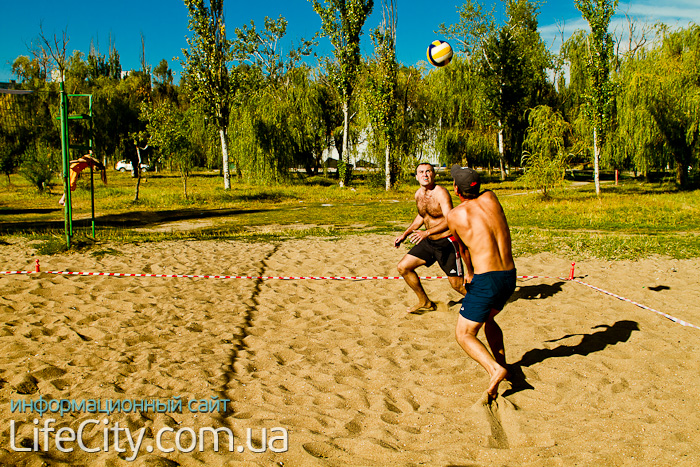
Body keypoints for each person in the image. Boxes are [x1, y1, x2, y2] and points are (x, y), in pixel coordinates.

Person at [446, 164, 516, 399]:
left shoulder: (455, 215)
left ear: (456, 189)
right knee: (489, 318)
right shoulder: (492, 198)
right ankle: (503, 362)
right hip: (509, 275)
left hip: (486, 277)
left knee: (464, 334)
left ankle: (496, 369)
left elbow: (463, 248)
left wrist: (469, 272)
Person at [395, 162, 467, 313]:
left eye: (428, 171)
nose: (425, 175)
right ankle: (425, 302)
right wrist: (405, 234)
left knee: (457, 285)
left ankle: (484, 303)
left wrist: (426, 233)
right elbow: (422, 217)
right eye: (421, 172)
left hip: (447, 242)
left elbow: (450, 219)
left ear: (434, 175)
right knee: (403, 267)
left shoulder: (441, 193)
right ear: (416, 177)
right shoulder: (418, 194)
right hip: (429, 242)